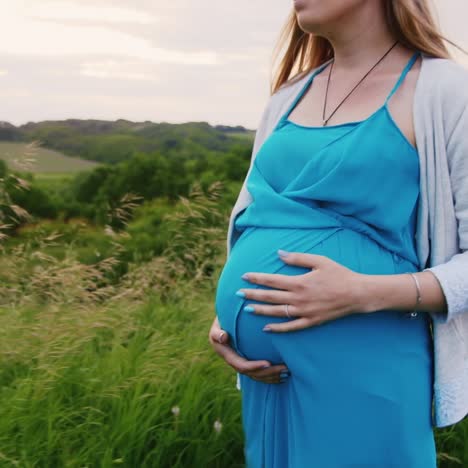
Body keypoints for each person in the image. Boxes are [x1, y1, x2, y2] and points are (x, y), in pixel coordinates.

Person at [209, 1, 468, 466]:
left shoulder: (447, 91)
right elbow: (259, 219)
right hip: (270, 381)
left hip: (367, 369)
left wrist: (361, 293)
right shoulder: (287, 97)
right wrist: (231, 320)